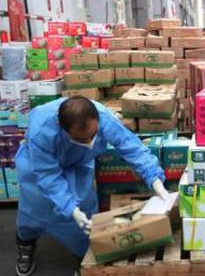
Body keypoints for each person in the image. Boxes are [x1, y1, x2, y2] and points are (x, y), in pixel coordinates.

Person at [14, 96, 169, 276]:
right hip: (40, 168)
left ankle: (82, 254)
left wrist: (154, 178)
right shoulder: (41, 132)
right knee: (35, 209)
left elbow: (129, 145)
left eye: (93, 135)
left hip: (79, 161)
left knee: (85, 211)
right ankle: (25, 242)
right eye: (81, 139)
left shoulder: (102, 116)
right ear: (63, 130)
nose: (89, 142)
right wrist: (70, 208)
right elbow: (48, 176)